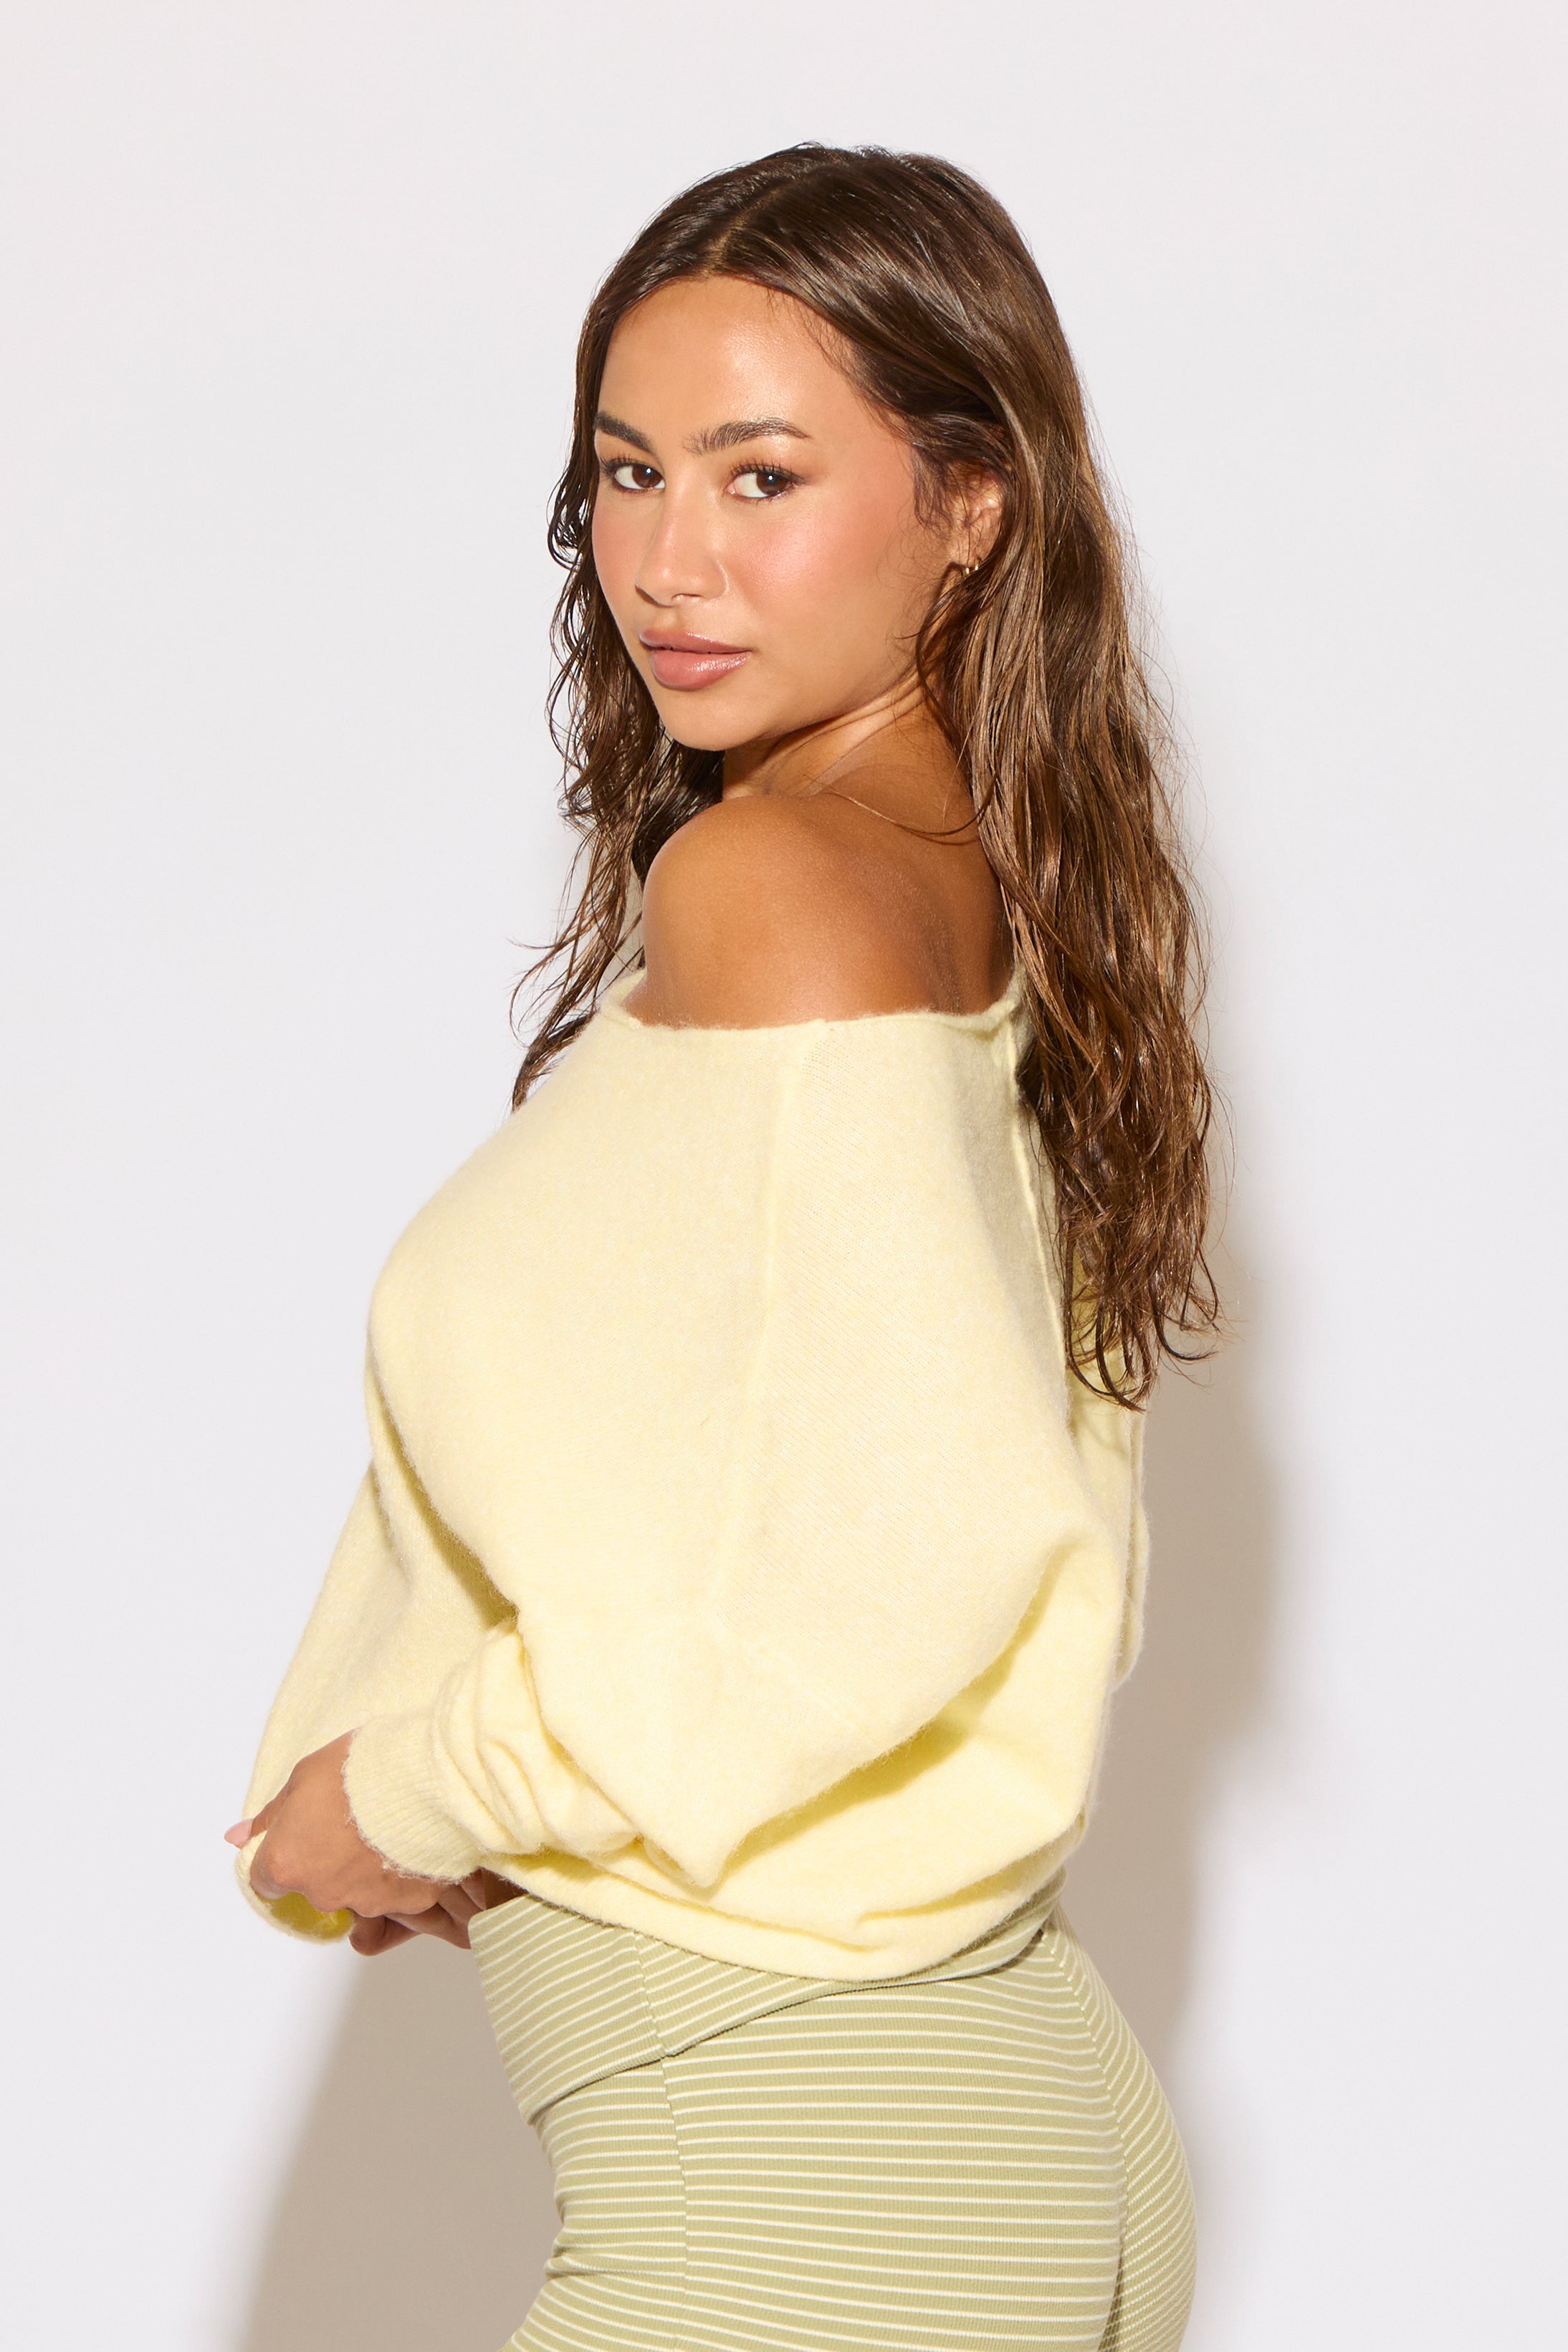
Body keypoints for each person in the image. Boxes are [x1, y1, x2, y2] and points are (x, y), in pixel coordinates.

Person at [227, 144, 1218, 2351]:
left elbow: (897, 1543)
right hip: (931, 2096)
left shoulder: (769, 884)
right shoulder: (978, 873)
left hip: (801, 2169)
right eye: (625, 474)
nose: (667, 561)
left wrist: (409, 1788)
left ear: (969, 502)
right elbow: (792, 1464)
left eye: (761, 478)